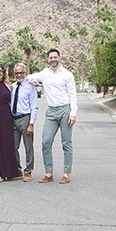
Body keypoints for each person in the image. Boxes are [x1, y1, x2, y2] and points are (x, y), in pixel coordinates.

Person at [28, 49, 78, 184]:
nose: (53, 60)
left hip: (65, 110)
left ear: (59, 58)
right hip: (51, 112)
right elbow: (29, 77)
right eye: (50, 58)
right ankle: (49, 173)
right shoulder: (45, 73)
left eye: (55, 57)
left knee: (66, 143)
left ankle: (66, 173)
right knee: (46, 141)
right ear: (48, 59)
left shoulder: (67, 75)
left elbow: (73, 94)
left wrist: (73, 113)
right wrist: (33, 80)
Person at [10, 62, 38, 182]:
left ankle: (28, 171)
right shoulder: (13, 86)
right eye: (17, 73)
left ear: (25, 73)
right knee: (13, 146)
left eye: (21, 73)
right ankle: (18, 170)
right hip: (13, 119)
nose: (19, 75)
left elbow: (34, 106)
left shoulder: (30, 86)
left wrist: (31, 123)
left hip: (25, 118)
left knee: (28, 146)